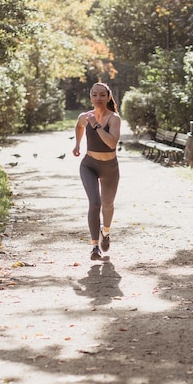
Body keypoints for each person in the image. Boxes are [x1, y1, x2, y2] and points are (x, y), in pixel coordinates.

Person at [73, 83, 121, 260]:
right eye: (94, 95)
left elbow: (111, 143)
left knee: (107, 205)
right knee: (95, 203)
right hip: (89, 165)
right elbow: (79, 126)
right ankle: (94, 247)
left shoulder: (114, 118)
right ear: (90, 97)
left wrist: (95, 125)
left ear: (108, 97)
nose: (98, 98)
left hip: (110, 168)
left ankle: (105, 233)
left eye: (102, 95)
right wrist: (77, 144)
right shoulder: (84, 117)